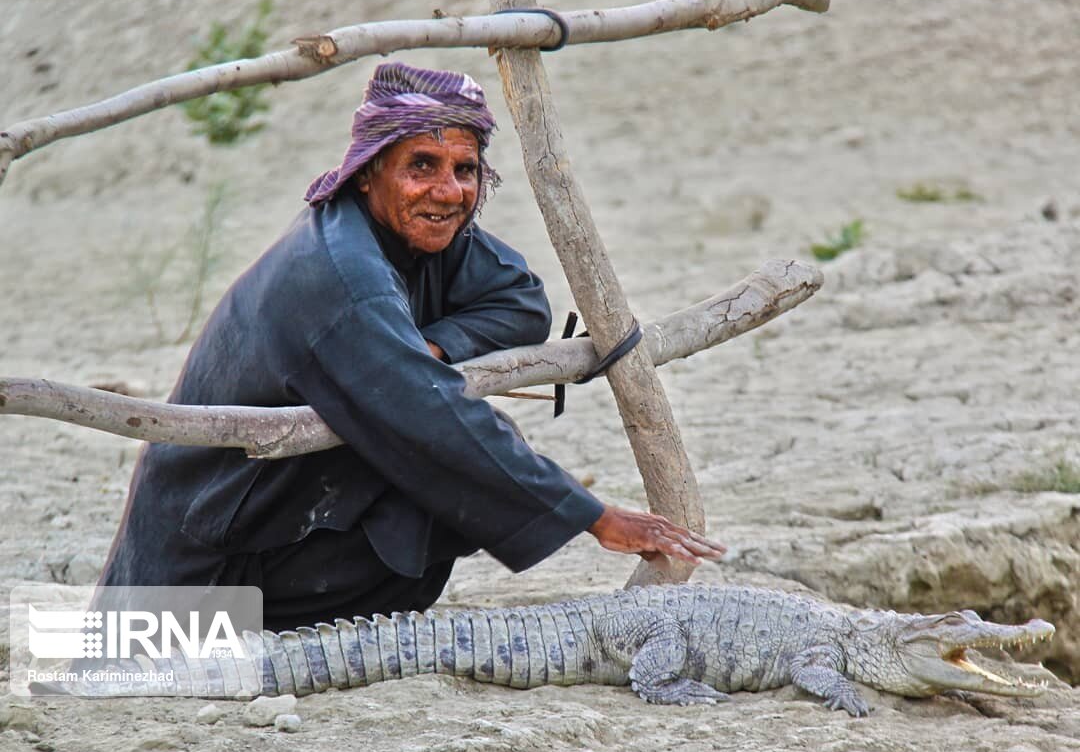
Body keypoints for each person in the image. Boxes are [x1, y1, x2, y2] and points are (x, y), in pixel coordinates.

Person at [98, 62, 724, 631]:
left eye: (465, 169)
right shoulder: (339, 273)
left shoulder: (427, 231)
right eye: (421, 165)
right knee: (452, 453)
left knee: (438, 477)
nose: (448, 191)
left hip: (275, 515)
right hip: (202, 572)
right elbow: (437, 422)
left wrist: (432, 349)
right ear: (370, 172)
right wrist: (593, 516)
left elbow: (520, 301)